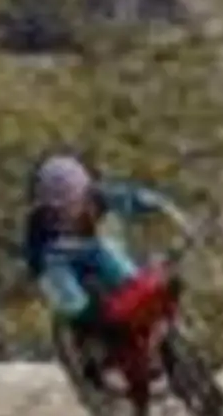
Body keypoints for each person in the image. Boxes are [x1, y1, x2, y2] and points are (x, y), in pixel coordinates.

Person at [20, 153, 195, 371]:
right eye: (61, 206)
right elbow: (36, 264)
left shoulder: (99, 196)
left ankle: (151, 334)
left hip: (94, 250)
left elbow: (136, 198)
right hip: (56, 263)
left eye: (77, 199)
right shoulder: (38, 225)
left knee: (131, 279)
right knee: (74, 304)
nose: (71, 208)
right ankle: (88, 346)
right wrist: (48, 283)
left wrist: (173, 215)